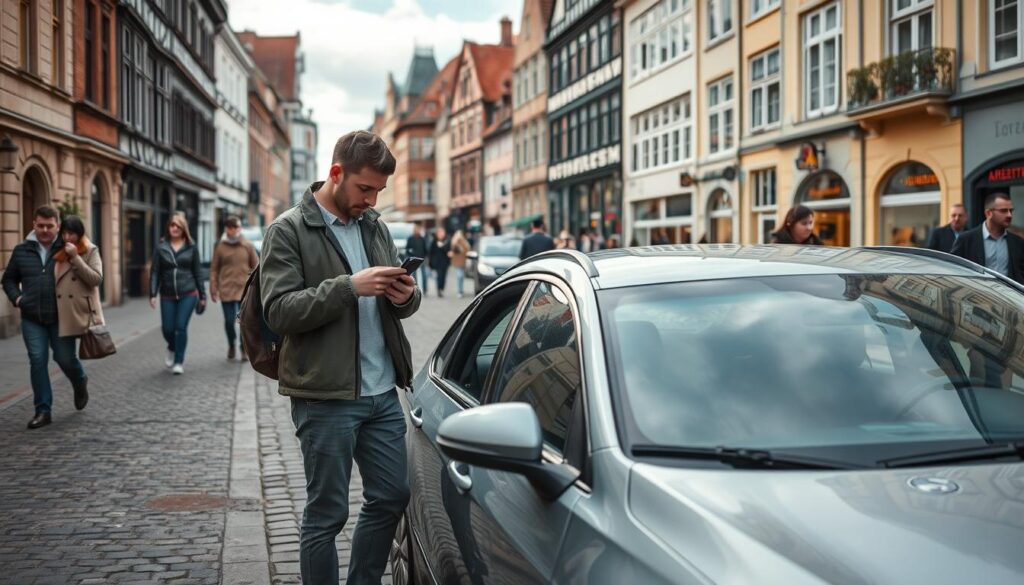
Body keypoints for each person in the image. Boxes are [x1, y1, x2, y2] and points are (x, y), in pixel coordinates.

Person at [259, 130, 419, 585]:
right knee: (326, 514)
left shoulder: (374, 227)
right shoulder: (288, 229)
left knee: (391, 496)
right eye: (364, 188)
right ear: (335, 174)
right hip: (324, 395)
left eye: (378, 191)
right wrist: (349, 287)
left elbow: (399, 306)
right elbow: (279, 311)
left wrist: (405, 295)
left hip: (382, 393)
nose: (371, 199)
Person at [2, 206, 89, 429]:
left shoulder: (67, 249)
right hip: (32, 317)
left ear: (57, 226)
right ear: (34, 225)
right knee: (37, 359)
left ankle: (80, 381)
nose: (44, 230)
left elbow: (86, 275)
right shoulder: (22, 250)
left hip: (61, 317)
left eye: (49, 226)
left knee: (65, 359)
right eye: (40, 225)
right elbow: (8, 280)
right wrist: (18, 299)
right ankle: (43, 410)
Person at [53, 215, 104, 409]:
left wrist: (75, 257)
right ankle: (80, 379)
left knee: (65, 356)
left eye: (71, 233)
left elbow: (96, 279)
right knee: (62, 357)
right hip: (59, 312)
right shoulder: (56, 251)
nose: (67, 237)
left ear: (79, 233)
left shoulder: (90, 250)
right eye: (64, 233)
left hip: (81, 311)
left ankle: (79, 381)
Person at [149, 214, 206, 375]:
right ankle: (172, 347)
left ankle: (179, 361)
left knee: (180, 327)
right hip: (167, 294)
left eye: (178, 226)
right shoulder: (161, 247)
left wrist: (203, 296)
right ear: (169, 228)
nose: (174, 228)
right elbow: (155, 272)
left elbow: (198, 272)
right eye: (172, 225)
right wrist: (152, 293)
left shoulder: (191, 248)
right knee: (167, 329)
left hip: (188, 293)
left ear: (183, 229)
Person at [210, 215, 258, 360]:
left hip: (244, 291)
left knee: (244, 322)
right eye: (231, 227)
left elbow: (256, 266)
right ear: (227, 229)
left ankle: (243, 348)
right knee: (229, 321)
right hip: (226, 290)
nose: (234, 230)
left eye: (236, 227)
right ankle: (231, 344)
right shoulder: (220, 247)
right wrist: (213, 288)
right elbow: (214, 269)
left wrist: (256, 287)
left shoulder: (247, 245)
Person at [951, 192, 1024, 284]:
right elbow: (953, 270)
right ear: (988, 213)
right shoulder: (966, 240)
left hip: (1008, 297)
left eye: (1011, 210)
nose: (1009, 215)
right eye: (1003, 211)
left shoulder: (1017, 242)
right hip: (976, 296)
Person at [404, 223, 430, 293]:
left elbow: (425, 249)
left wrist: (426, 256)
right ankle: (415, 289)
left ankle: (425, 290)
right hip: (414, 260)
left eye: (418, 229)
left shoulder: (422, 239)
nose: (417, 230)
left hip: (422, 259)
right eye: (416, 229)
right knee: (414, 276)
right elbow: (407, 249)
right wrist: (410, 256)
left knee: (424, 275)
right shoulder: (410, 238)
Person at [428, 226, 451, 297]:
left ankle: (441, 288)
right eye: (440, 233)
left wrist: (443, 246)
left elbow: (448, 251)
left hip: (445, 262)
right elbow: (431, 252)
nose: (441, 234)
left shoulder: (447, 241)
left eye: (443, 232)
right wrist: (430, 262)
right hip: (437, 263)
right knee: (439, 277)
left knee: (444, 277)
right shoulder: (434, 242)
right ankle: (439, 290)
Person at [449, 229, 470, 299]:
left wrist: (462, 241)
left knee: (461, 277)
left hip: (463, 261)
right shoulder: (454, 242)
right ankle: (459, 291)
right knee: (459, 276)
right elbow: (454, 248)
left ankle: (461, 290)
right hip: (457, 262)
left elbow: (467, 248)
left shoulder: (464, 242)